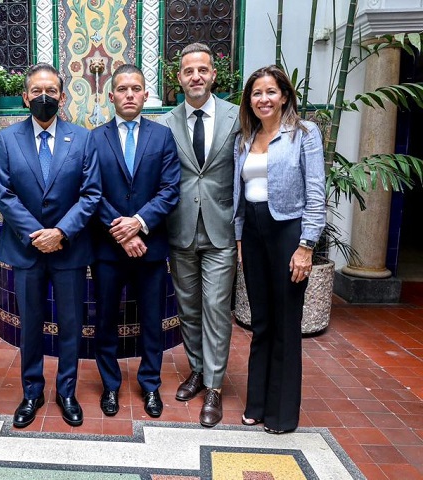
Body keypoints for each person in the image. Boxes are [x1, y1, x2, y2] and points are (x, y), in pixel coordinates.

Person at [0, 63, 101, 428]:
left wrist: (61, 233)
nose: (44, 97)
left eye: (51, 91)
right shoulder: (7, 139)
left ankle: (66, 390)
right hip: (25, 249)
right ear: (25, 97)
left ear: (62, 96)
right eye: (37, 91)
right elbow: (3, 194)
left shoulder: (82, 138)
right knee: (31, 324)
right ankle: (32, 391)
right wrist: (37, 234)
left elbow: (91, 194)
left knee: (70, 324)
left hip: (69, 249)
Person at [233, 65, 325, 434]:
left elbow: (316, 191)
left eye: (271, 92)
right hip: (253, 234)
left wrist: (306, 246)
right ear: (249, 100)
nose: (263, 99)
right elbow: (239, 197)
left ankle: (282, 413)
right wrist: (240, 240)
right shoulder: (246, 137)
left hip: (289, 232)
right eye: (257, 93)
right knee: (261, 322)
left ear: (284, 95)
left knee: (286, 324)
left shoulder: (304, 134)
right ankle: (257, 402)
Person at [89, 65, 180, 418]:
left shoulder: (162, 137)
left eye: (136, 88)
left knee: (152, 321)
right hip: (108, 250)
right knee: (106, 320)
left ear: (146, 95)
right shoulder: (94, 139)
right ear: (111, 96)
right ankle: (110, 385)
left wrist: (139, 223)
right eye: (122, 88)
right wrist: (122, 232)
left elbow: (170, 189)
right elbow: (91, 192)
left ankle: (151, 385)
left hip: (151, 247)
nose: (129, 94)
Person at [157, 42, 240, 427]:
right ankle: (197, 371)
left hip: (222, 233)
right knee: (188, 309)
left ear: (213, 74)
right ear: (179, 78)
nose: (196, 77)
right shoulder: (166, 123)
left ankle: (215, 388)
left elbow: (245, 176)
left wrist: (241, 231)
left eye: (202, 70)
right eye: (188, 71)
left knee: (216, 310)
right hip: (181, 232)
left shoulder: (238, 117)